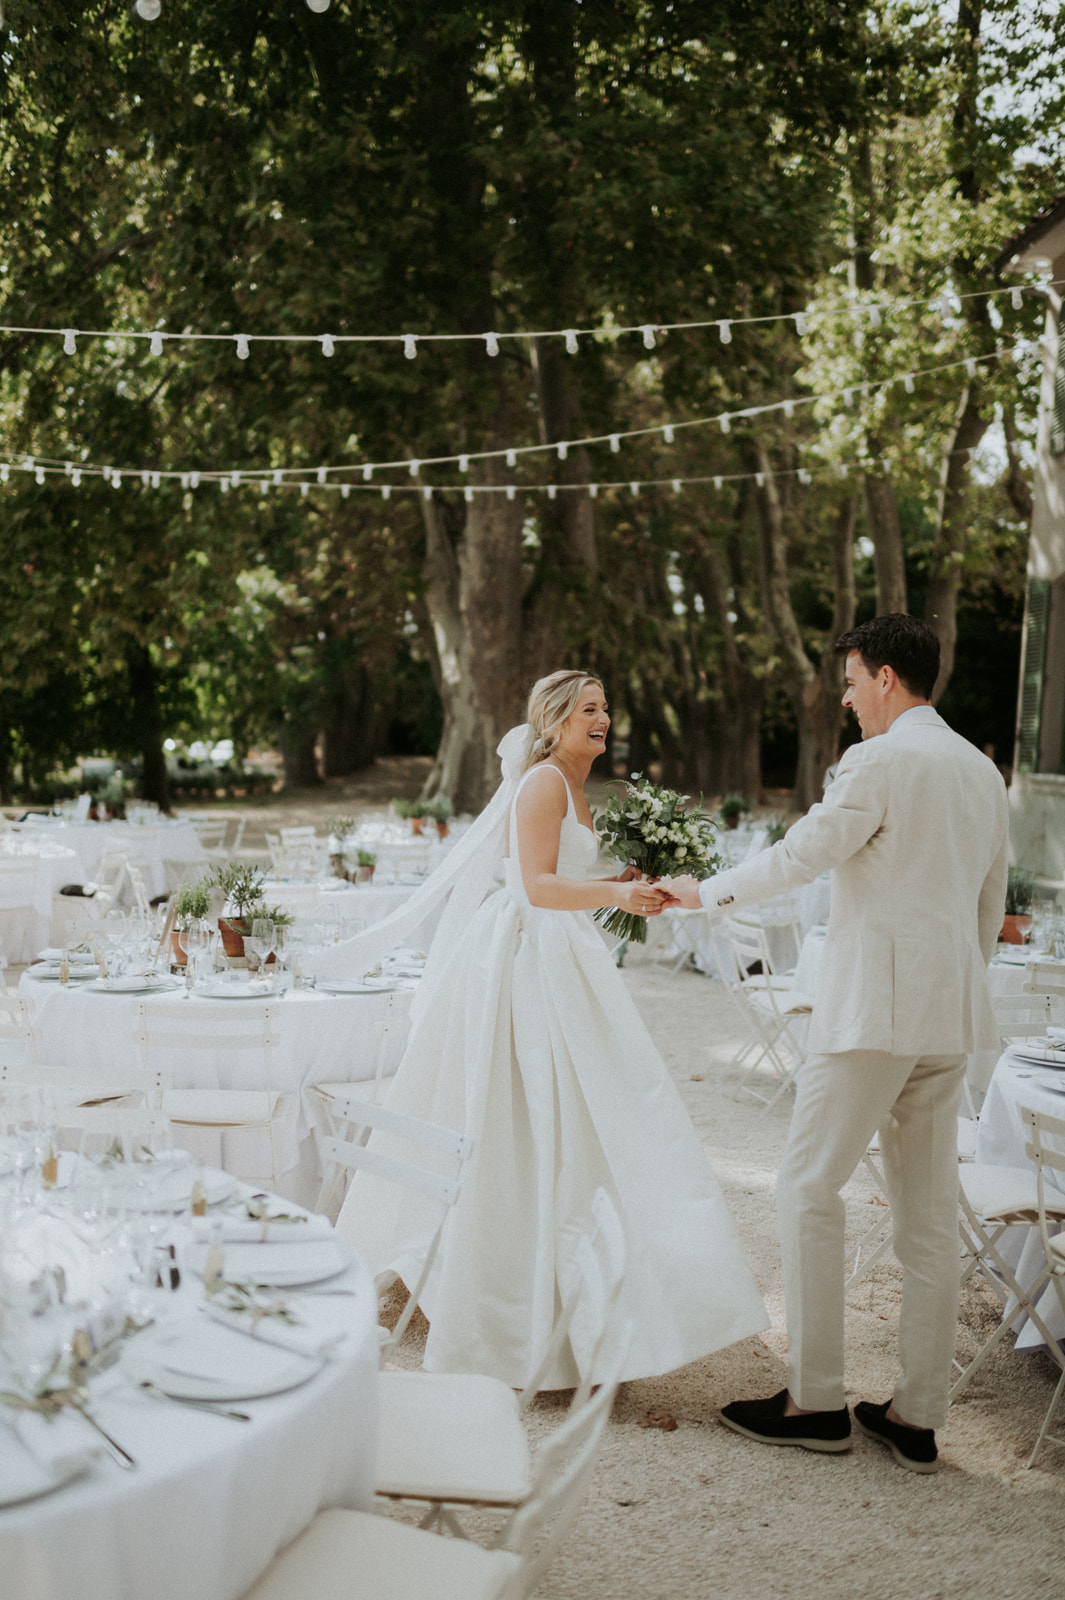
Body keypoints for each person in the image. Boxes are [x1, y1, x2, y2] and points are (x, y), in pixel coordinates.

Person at [328, 669, 767, 1388]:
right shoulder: (540, 783)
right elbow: (534, 885)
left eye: (605, 708)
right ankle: (505, 1299)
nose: (602, 719)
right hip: (523, 963)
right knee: (524, 1113)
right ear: (556, 720)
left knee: (596, 1109)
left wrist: (625, 880)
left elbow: (566, 874)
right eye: (588, 709)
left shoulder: (574, 785)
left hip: (561, 954)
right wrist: (612, 891)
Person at [665, 615, 1008, 1472]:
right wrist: (958, 986)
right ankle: (915, 1416)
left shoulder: (880, 759)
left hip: (870, 1019)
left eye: (851, 680)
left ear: (886, 676)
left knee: (807, 1186)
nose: (847, 698)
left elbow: (800, 855)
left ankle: (813, 1400)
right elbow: (986, 905)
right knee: (927, 1223)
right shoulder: (978, 770)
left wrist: (700, 893)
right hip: (947, 1017)